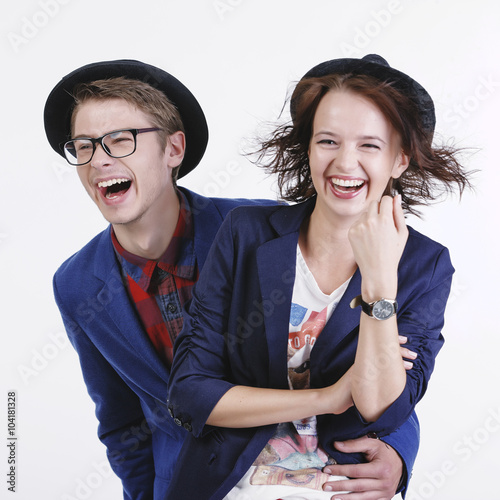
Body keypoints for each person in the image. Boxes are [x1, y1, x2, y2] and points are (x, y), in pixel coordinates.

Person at [45, 58, 422, 500]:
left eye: (120, 141)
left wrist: (397, 451)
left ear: (174, 150)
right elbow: (121, 422)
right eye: (84, 146)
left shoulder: (260, 231)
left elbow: (360, 347)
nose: (99, 160)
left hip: (309, 477)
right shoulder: (75, 284)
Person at [166, 54, 471, 500]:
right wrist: (327, 398)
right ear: (308, 146)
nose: (345, 163)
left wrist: (381, 282)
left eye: (370, 145)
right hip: (227, 487)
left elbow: (382, 409)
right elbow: (190, 393)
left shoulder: (425, 265)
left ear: (400, 160)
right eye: (328, 141)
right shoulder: (245, 234)